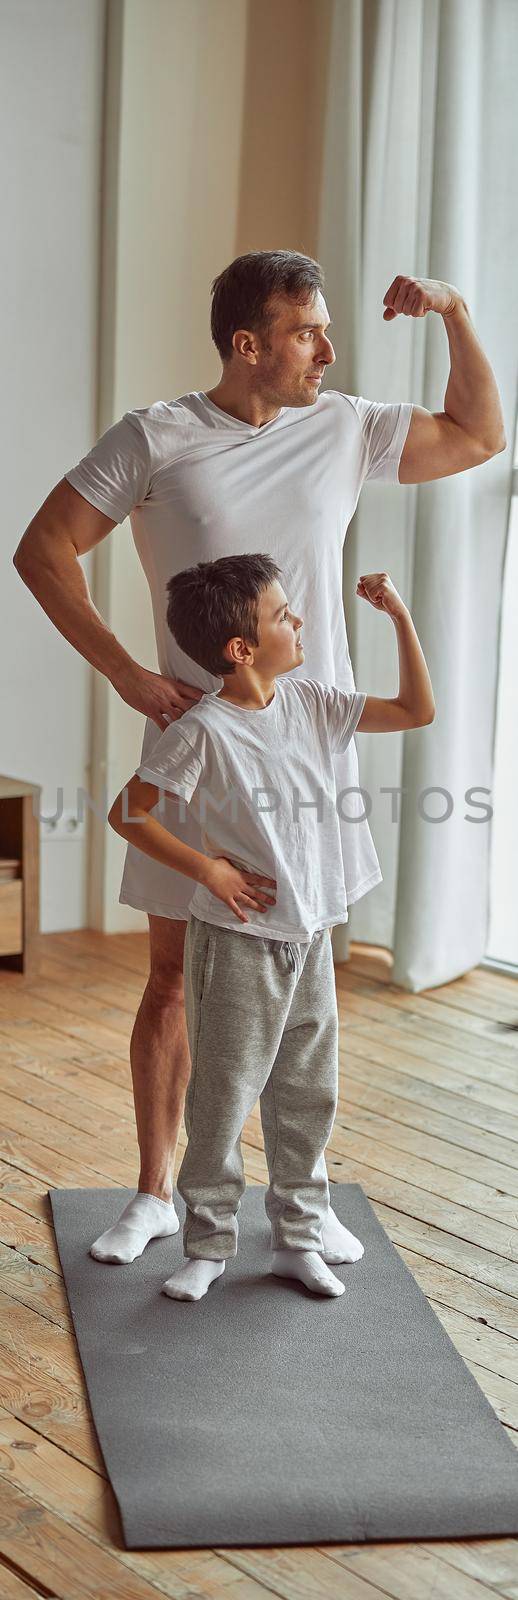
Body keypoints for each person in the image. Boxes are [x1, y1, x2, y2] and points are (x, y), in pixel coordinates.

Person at [13, 251, 505, 1269]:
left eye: (324, 329)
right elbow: (43, 549)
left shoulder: (346, 427)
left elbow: (475, 435)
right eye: (304, 331)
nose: (326, 348)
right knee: (170, 979)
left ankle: (298, 1196)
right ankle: (156, 1190)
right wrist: (125, 674)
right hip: (198, 746)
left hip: (309, 753)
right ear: (248, 345)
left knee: (303, 978)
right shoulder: (156, 437)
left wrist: (454, 311)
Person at [106, 553, 435, 1300]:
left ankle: (296, 1238)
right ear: (241, 649)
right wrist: (209, 871)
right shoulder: (204, 731)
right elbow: (128, 813)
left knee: (306, 1094)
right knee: (222, 1095)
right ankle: (209, 1245)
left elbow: (417, 712)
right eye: (285, 615)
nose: (300, 621)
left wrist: (402, 620)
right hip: (237, 945)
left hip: (309, 937)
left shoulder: (314, 703)